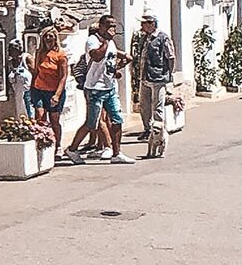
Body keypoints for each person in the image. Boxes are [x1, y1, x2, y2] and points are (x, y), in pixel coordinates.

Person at [76, 15, 134, 165]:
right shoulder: (92, 41)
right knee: (91, 123)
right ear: (101, 26)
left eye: (114, 26)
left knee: (117, 119)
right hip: (95, 88)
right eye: (108, 25)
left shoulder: (111, 43)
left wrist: (117, 67)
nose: (112, 29)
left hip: (109, 87)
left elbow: (111, 58)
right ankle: (72, 149)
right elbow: (96, 57)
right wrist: (106, 41)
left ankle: (117, 153)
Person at [133, 14, 176, 158]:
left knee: (157, 105)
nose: (142, 26)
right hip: (145, 76)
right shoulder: (144, 38)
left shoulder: (163, 38)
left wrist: (169, 74)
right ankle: (148, 129)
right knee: (144, 105)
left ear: (152, 24)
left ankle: (159, 132)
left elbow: (170, 57)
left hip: (159, 77)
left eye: (144, 23)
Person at [27, 27, 69, 152]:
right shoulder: (40, 52)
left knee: (54, 119)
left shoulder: (61, 55)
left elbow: (63, 76)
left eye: (50, 36)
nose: (48, 39)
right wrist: (31, 88)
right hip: (39, 89)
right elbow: (36, 71)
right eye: (46, 36)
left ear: (55, 38)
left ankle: (58, 145)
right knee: (40, 116)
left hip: (54, 90)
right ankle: (42, 143)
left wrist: (57, 94)